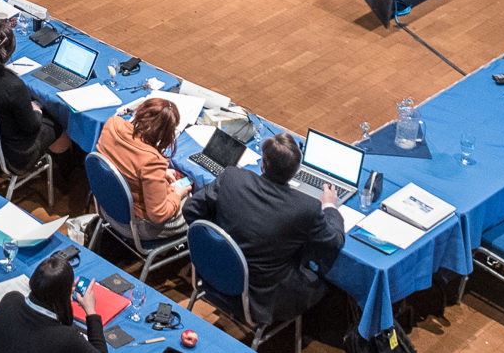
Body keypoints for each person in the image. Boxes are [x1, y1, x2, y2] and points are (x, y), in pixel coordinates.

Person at [186, 133, 343, 326]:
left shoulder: (231, 177)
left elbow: (191, 210)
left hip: (210, 275)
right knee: (323, 283)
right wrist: (329, 206)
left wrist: (215, 242)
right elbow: (334, 241)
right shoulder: (306, 208)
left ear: (263, 164)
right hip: (260, 300)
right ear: (295, 172)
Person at [0, 21, 72, 172]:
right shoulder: (14, 86)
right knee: (57, 124)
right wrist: (37, 111)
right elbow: (31, 128)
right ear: (12, 49)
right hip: (9, 157)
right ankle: (67, 175)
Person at [96, 97, 189, 246]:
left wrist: (160, 174)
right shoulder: (152, 161)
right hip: (135, 226)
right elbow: (158, 215)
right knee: (197, 207)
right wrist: (177, 194)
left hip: (106, 208)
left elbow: (124, 164)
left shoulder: (112, 123)